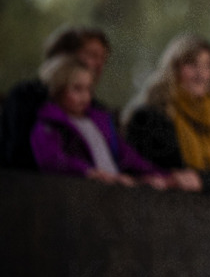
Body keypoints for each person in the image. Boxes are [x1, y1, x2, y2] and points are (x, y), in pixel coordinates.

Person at [122, 34, 210, 193]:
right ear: (174, 68)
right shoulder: (149, 117)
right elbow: (142, 172)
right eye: (192, 65)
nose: (201, 75)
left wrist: (203, 182)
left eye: (207, 66)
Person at [30, 54, 174, 188]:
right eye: (77, 89)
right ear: (57, 89)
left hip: (113, 191)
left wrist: (161, 175)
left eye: (88, 89)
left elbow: (129, 157)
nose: (85, 96)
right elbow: (52, 160)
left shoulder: (101, 123)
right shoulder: (49, 125)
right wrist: (88, 172)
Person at [2, 25, 112, 170]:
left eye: (103, 59)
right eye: (92, 55)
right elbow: (18, 155)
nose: (99, 64)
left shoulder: (96, 110)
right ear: (62, 55)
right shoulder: (26, 98)